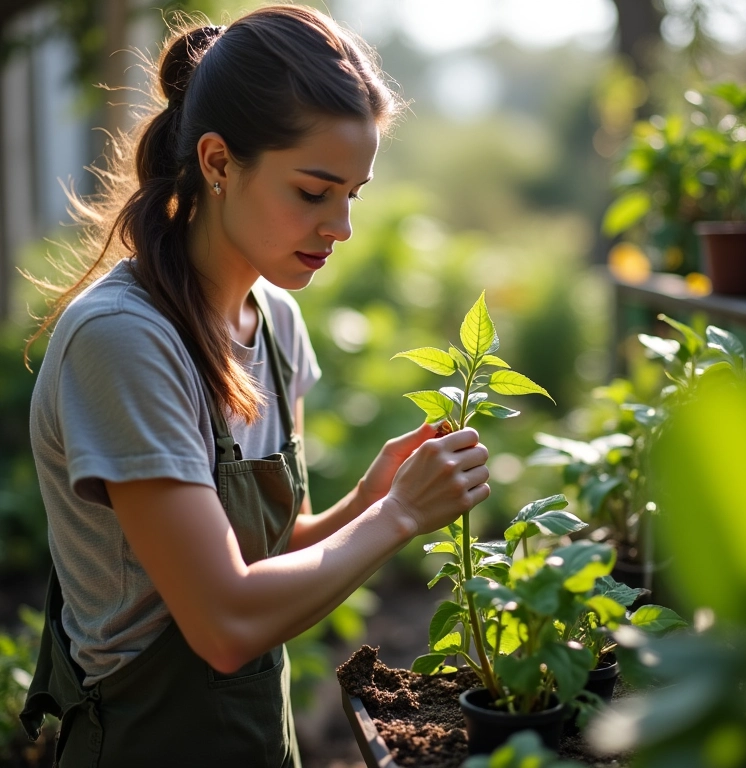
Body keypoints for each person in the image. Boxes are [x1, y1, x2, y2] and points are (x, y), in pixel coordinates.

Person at [20, 5, 490, 767]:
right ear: (217, 162)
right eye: (312, 191)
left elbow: (273, 552)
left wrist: (367, 499)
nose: (340, 227)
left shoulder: (274, 323)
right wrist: (399, 516)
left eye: (352, 194)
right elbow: (224, 622)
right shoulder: (125, 340)